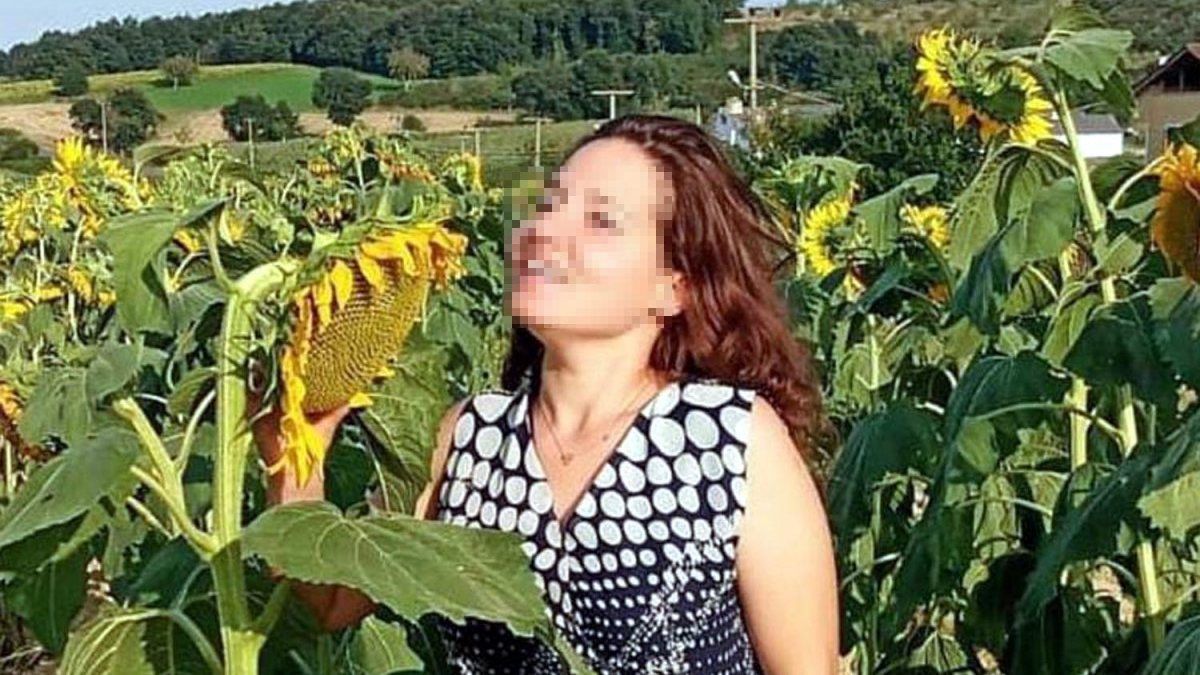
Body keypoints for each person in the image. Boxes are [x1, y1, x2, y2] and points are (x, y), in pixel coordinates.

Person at [254, 113, 839, 674]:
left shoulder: (728, 439)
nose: (546, 231)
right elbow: (332, 599)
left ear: (673, 287)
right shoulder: (470, 437)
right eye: (548, 205)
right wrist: (295, 443)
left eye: (600, 220)